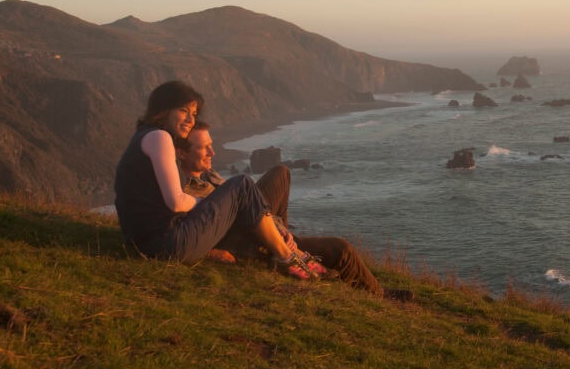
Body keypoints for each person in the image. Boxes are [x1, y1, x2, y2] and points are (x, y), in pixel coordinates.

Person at [175, 121, 412, 300]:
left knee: (281, 173)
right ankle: (379, 296)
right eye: (204, 148)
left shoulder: (208, 173)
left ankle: (287, 242)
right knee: (342, 251)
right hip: (253, 239)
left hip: (262, 223)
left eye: (211, 145)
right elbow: (192, 234)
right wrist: (217, 254)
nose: (212, 153)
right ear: (182, 153)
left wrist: (278, 226)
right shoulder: (185, 193)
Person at [113, 80, 319, 280]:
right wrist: (207, 203)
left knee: (243, 190)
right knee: (242, 185)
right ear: (163, 110)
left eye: (193, 114)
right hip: (168, 245)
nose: (190, 120)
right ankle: (285, 256)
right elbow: (175, 202)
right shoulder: (160, 137)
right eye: (183, 111)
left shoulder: (143, 137)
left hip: (146, 244)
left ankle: (282, 251)